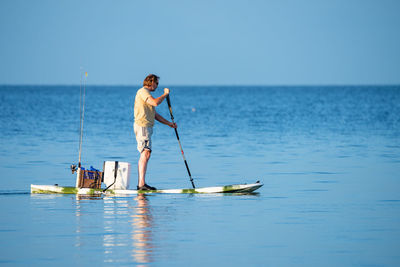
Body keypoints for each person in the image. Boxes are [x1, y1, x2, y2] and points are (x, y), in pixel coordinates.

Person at [133, 74, 177, 190]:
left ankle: (142, 183)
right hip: (142, 126)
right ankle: (141, 184)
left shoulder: (147, 95)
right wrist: (165, 94)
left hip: (147, 127)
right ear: (151, 82)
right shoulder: (143, 91)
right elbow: (155, 103)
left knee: (147, 153)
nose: (157, 86)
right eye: (156, 83)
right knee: (145, 152)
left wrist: (169, 124)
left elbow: (155, 115)